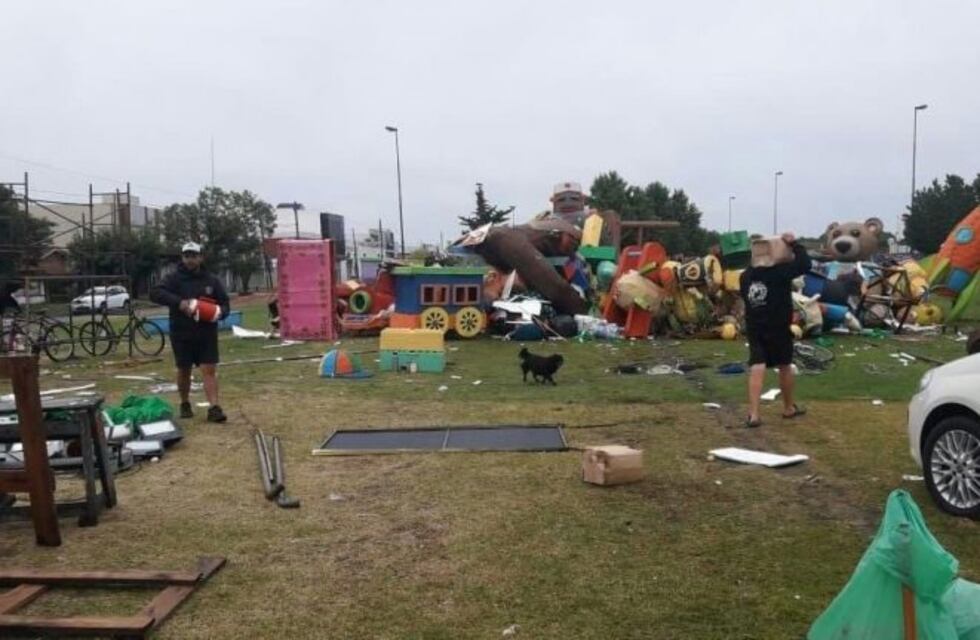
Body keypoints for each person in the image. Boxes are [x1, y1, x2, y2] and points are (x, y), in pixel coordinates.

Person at [150, 242, 230, 423]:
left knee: (209, 369)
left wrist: (220, 313)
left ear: (201, 257)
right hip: (181, 331)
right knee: (184, 369)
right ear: (182, 258)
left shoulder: (211, 280)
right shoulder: (173, 278)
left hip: (206, 332)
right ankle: (185, 403)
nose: (190, 259)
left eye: (194, 256)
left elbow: (225, 303)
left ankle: (214, 408)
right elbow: (155, 293)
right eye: (187, 256)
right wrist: (179, 303)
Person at [739, 232, 812, 428]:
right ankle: (788, 408)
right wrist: (794, 244)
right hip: (778, 324)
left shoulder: (746, 276)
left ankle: (754, 414)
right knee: (784, 364)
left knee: (757, 364)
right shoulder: (780, 272)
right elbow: (805, 264)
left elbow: (746, 298)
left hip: (755, 324)